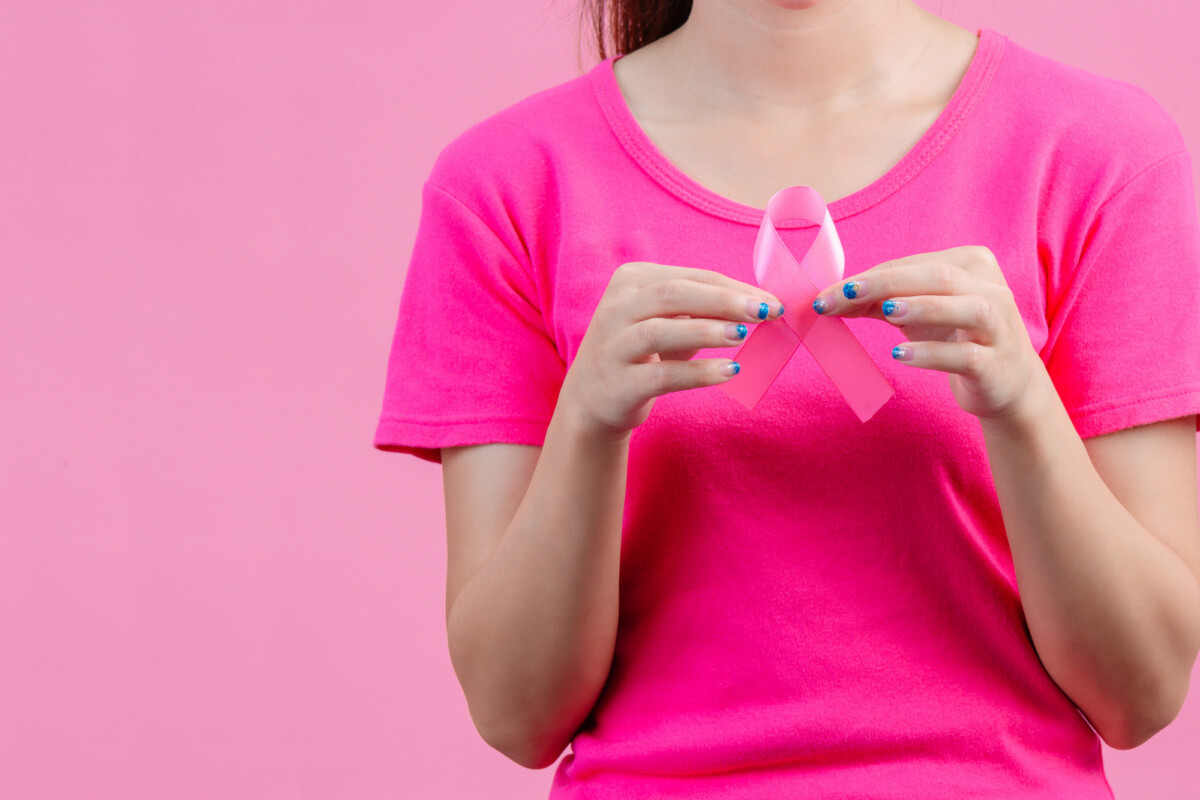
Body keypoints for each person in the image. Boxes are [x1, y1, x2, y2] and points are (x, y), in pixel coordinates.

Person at [373, 0, 1200, 796]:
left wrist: (1024, 405)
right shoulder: (505, 184)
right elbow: (516, 714)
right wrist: (588, 425)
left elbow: (1141, 694)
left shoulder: (1098, 154)